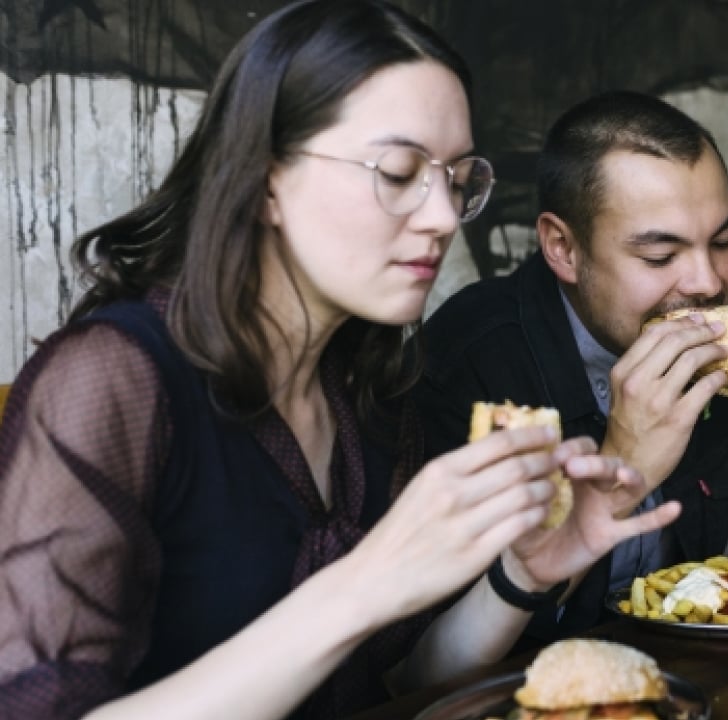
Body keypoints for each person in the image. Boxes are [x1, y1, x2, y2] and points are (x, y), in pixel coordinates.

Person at [0, 3, 677, 719]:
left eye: (456, 180)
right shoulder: (113, 380)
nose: (443, 217)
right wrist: (365, 583)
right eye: (399, 171)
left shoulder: (368, 390)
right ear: (267, 178)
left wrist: (521, 575)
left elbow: (401, 681)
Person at [413, 90, 728, 642]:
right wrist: (625, 460)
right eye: (660, 256)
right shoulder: (474, 363)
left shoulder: (717, 345)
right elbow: (455, 641)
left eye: (721, 241)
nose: (707, 281)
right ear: (563, 247)